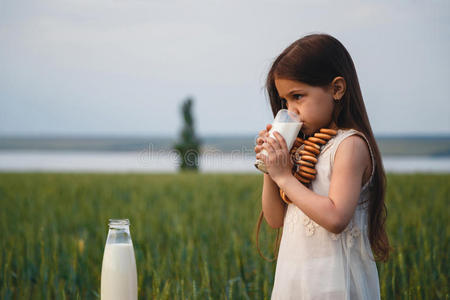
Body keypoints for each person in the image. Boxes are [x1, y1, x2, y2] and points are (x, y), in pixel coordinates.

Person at [254, 33, 391, 299]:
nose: (291, 110)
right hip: (295, 282)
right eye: (285, 102)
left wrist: (284, 177)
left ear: (337, 89)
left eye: (298, 96)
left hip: (335, 283)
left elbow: (336, 217)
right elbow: (274, 219)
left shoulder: (349, 146)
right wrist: (271, 167)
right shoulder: (303, 149)